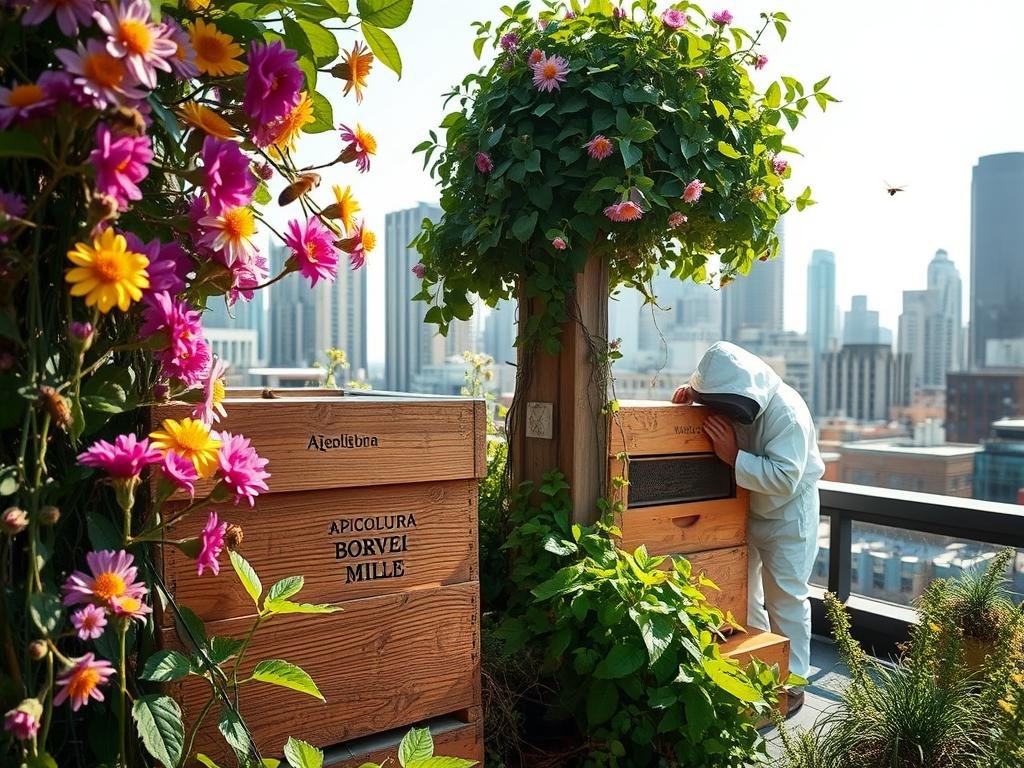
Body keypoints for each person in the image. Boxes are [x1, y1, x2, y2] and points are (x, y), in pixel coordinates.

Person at [671, 341, 824, 715]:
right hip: (747, 509)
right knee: (746, 594)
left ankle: (793, 682)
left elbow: (785, 478)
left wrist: (732, 456)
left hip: (788, 515)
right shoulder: (741, 394)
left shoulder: (787, 412)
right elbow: (723, 396)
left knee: (785, 598)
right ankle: (758, 670)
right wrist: (693, 398)